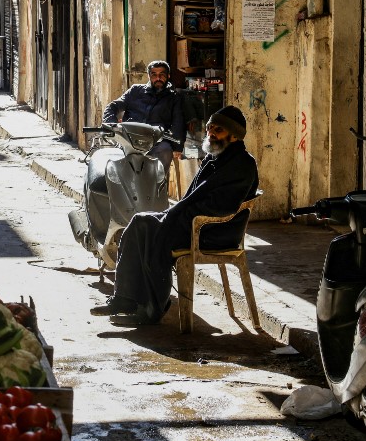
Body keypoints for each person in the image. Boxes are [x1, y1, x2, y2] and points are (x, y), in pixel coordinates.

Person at [91, 106, 259, 326]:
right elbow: (196, 199)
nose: (211, 133)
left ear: (234, 135)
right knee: (139, 223)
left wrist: (177, 216)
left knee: (151, 231)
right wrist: (175, 215)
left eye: (219, 129)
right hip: (193, 221)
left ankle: (152, 308)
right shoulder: (216, 157)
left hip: (214, 230)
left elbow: (221, 206)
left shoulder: (241, 164)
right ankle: (125, 298)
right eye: (210, 128)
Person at [103, 60, 186, 175]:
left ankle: (156, 188)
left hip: (156, 141)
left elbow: (178, 121)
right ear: (149, 76)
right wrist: (111, 125)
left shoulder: (174, 97)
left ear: (168, 76)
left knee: (165, 150)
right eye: (154, 75)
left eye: (162, 75)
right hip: (129, 139)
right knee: (113, 166)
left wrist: (178, 147)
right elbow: (113, 106)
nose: (158, 78)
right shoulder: (135, 91)